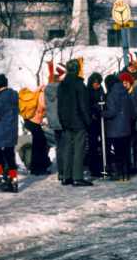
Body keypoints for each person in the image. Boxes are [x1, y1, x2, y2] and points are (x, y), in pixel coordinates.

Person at [57, 59, 93, 187]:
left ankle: (67, 177)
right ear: (77, 69)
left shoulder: (61, 85)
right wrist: (88, 121)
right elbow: (83, 106)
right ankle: (77, 177)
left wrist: (62, 121)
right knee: (79, 149)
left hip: (66, 122)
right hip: (79, 122)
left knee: (68, 149)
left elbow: (59, 106)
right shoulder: (79, 85)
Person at [103, 72, 135, 181]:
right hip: (126, 128)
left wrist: (101, 113)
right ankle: (126, 174)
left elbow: (112, 112)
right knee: (125, 152)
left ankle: (119, 174)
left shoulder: (112, 94)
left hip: (115, 129)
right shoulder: (125, 92)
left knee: (118, 152)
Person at [24, 84, 51, 176]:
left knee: (38, 143)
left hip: (30, 120)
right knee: (40, 144)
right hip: (33, 121)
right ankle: (38, 168)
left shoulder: (37, 92)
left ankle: (36, 167)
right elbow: (43, 105)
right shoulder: (43, 94)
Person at [44, 64, 65, 180]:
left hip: (53, 122)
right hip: (63, 121)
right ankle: (66, 171)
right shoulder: (61, 89)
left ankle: (60, 172)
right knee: (65, 147)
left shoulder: (47, 90)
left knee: (59, 147)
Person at [87, 72, 106, 177]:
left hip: (100, 120)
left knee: (101, 143)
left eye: (99, 83)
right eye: (96, 83)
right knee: (93, 145)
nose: (97, 85)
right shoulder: (87, 92)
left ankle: (102, 165)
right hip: (91, 122)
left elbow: (103, 100)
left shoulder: (100, 90)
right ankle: (94, 168)